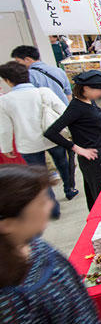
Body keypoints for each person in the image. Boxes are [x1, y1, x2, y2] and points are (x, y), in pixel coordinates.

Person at [0, 164, 101, 324]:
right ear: (8, 224)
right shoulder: (10, 299)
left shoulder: (36, 246)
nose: (51, 206)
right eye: (41, 203)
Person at [44, 71, 101, 210]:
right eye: (99, 89)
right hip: (94, 159)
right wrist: (77, 148)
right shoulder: (75, 108)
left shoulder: (90, 102)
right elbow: (51, 132)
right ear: (86, 88)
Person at [0, 61, 75, 217]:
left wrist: (6, 148)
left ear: (7, 80)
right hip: (53, 137)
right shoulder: (44, 92)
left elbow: (5, 129)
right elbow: (64, 112)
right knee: (63, 163)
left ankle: (53, 208)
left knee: (40, 176)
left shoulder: (5, 101)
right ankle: (69, 189)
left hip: (27, 144)